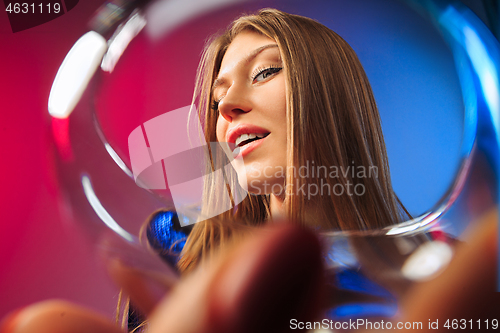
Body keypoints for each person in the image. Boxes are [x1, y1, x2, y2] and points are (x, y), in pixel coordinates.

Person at [177, 8, 410, 273]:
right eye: (217, 99)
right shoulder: (176, 250)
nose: (226, 106)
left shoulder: (434, 276)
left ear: (333, 95)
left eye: (264, 73)